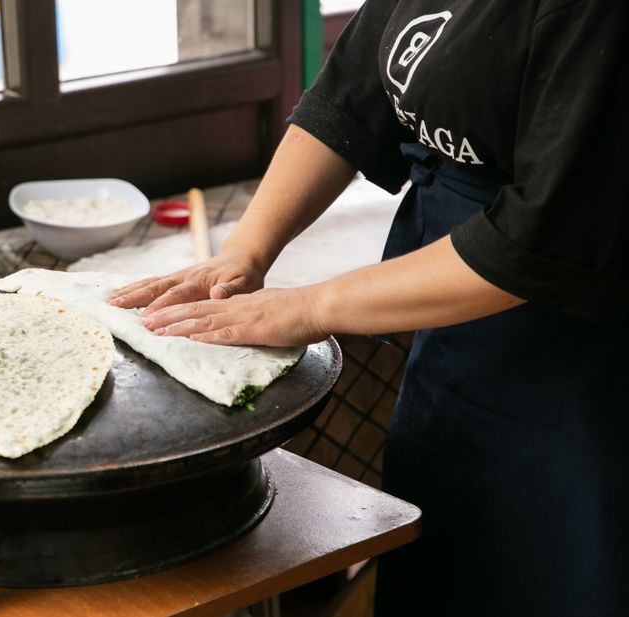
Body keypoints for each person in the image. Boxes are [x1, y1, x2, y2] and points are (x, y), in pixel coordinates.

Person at [109, 1, 629, 614]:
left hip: (578, 354)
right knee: (441, 563)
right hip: (454, 333)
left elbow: (538, 240)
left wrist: (310, 308)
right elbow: (350, 98)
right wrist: (244, 253)